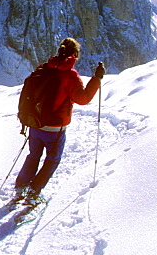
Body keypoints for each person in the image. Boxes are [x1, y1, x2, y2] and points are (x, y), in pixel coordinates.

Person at [14, 37, 104, 198]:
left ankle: (21, 186)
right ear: (75, 55)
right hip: (55, 128)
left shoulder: (43, 67)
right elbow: (83, 99)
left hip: (35, 123)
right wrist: (96, 79)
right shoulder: (70, 75)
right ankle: (34, 193)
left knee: (33, 155)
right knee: (53, 159)